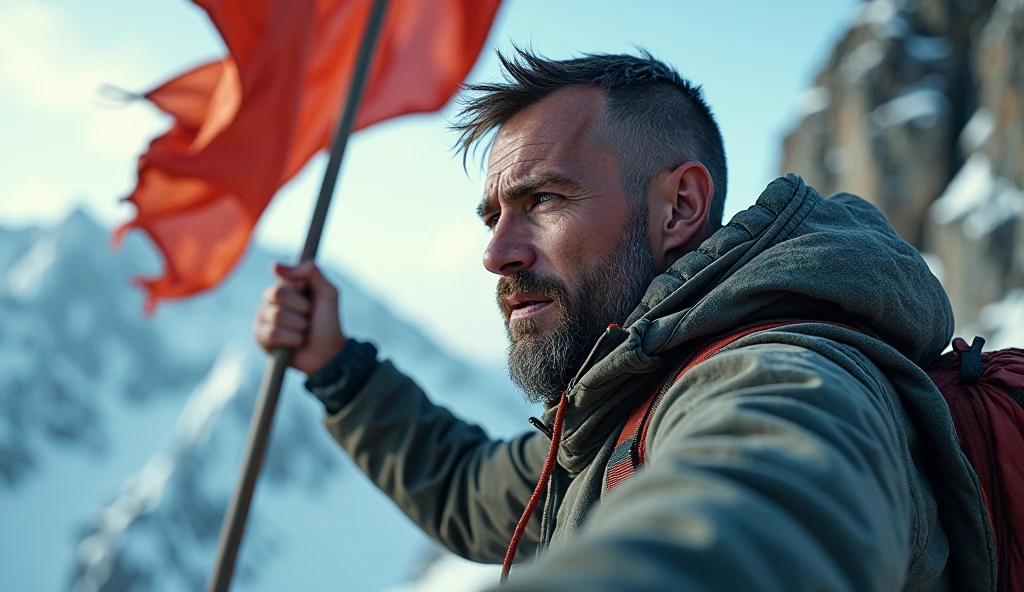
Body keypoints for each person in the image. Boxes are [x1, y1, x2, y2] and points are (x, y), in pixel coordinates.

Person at [254, 48, 994, 591]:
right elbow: (465, 485)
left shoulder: (786, 371)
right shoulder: (622, 400)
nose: (496, 253)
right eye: (492, 215)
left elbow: (761, 506)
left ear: (678, 207)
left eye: (543, 200)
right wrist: (340, 369)